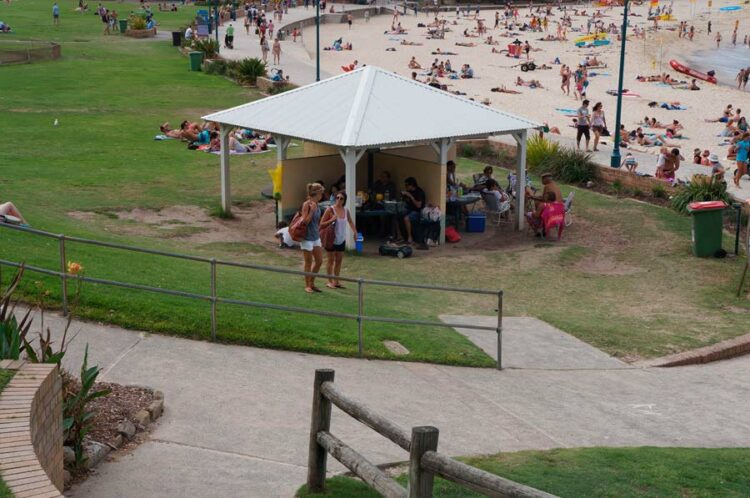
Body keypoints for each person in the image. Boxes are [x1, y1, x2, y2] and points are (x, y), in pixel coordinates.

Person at [319, 192, 356, 289]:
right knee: (330, 261)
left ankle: (336, 280)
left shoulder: (346, 210)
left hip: (341, 239)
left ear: (344, 200)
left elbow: (350, 221)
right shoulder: (330, 210)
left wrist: (355, 233)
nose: (339, 200)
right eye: (337, 198)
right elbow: (321, 224)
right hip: (331, 239)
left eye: (341, 198)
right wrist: (331, 220)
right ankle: (330, 281)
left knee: (339, 261)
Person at [300, 183, 325, 293]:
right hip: (307, 238)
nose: (322, 195)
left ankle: (312, 282)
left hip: (316, 237)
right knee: (308, 263)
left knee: (319, 261)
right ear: (317, 193)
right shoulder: (307, 204)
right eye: (321, 193)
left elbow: (316, 222)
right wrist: (311, 211)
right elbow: (305, 221)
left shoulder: (317, 204)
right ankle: (307, 285)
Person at [399, 177, 425, 244]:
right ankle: (400, 236)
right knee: (397, 214)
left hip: (417, 211)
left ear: (412, 185)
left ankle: (410, 237)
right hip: (409, 209)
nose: (406, 187)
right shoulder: (408, 191)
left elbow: (418, 206)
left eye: (407, 185)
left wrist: (410, 196)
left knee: (406, 218)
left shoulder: (419, 192)